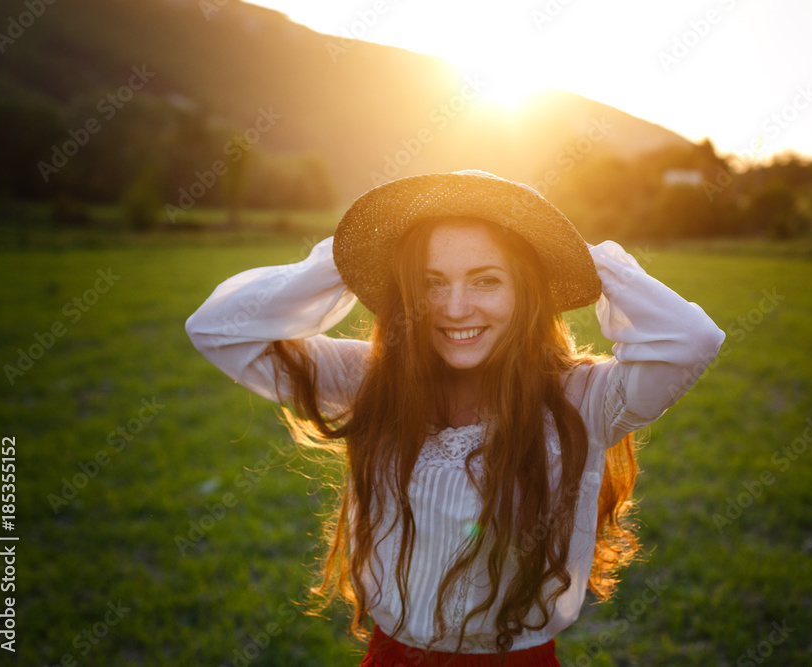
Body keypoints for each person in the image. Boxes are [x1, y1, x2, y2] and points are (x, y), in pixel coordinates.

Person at [186, 170, 725, 666]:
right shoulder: (372, 380)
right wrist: (345, 259)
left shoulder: (582, 399)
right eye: (431, 281)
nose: (455, 307)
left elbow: (690, 339)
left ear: (526, 291)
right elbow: (217, 328)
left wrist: (582, 258)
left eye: (486, 280)